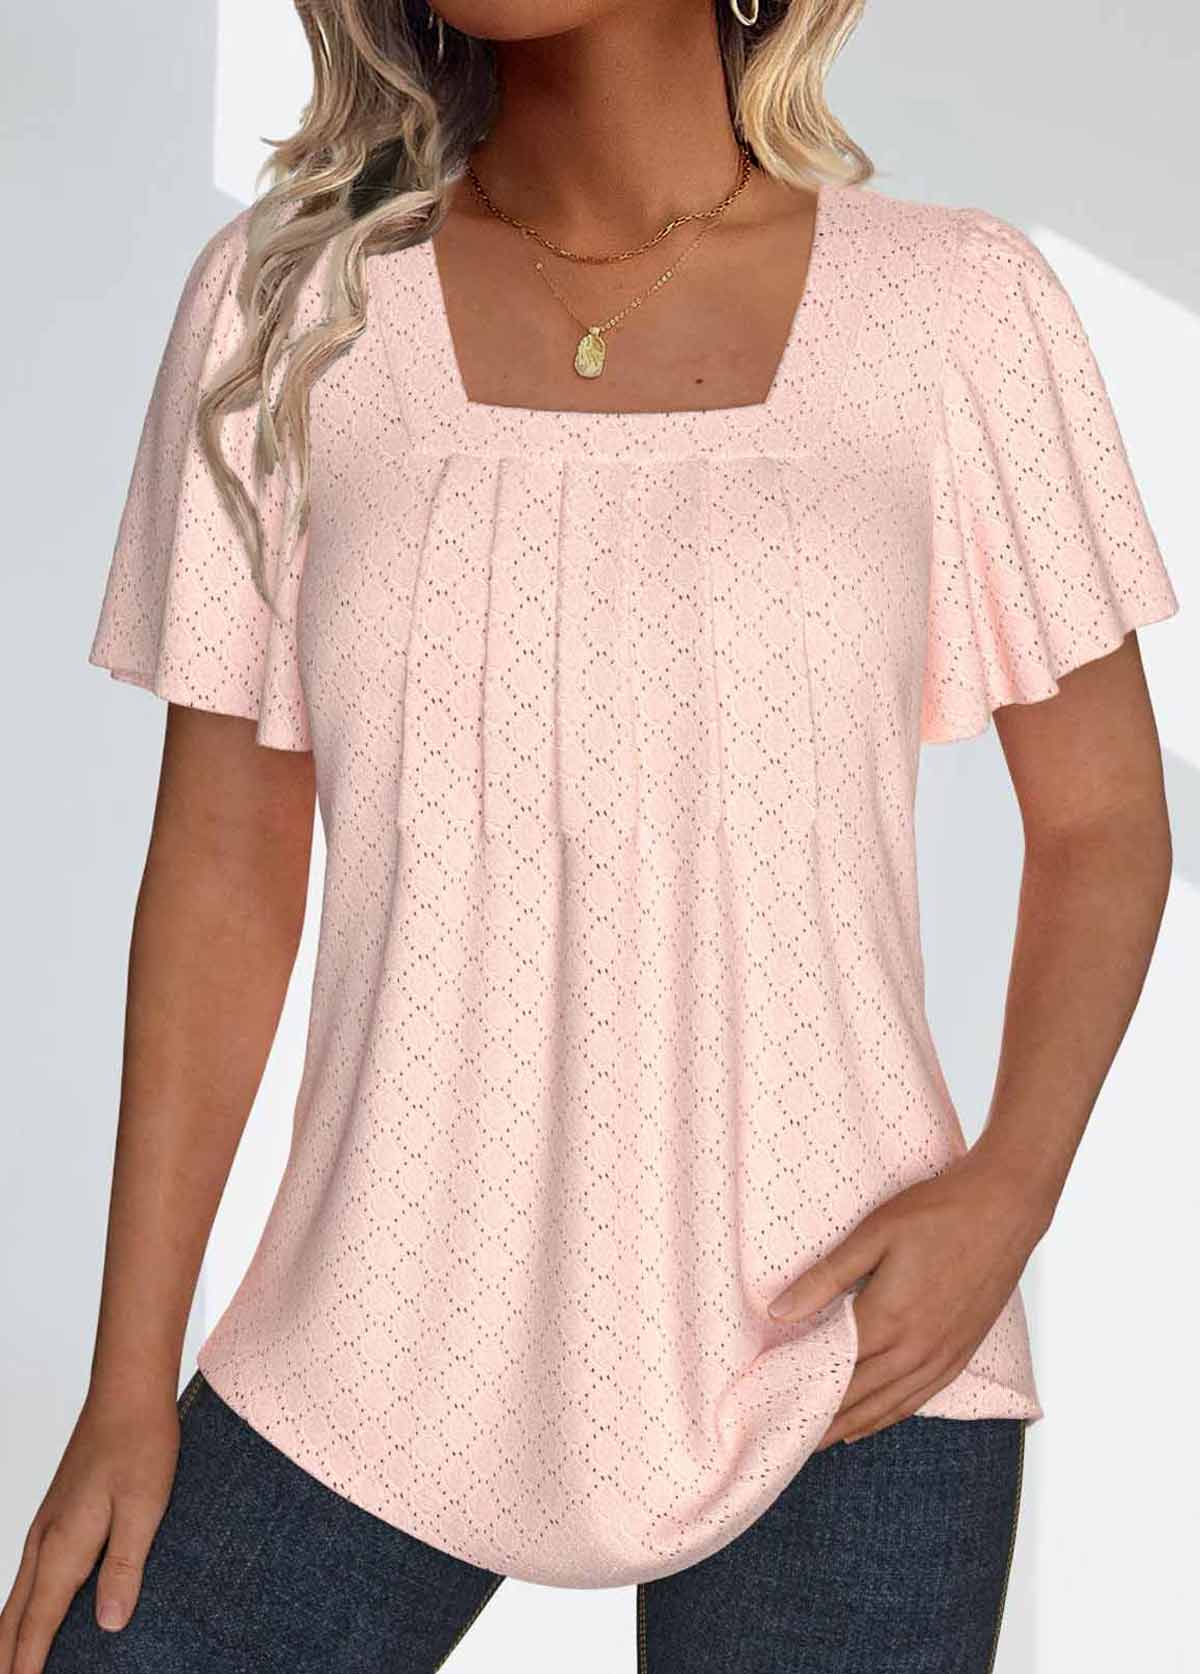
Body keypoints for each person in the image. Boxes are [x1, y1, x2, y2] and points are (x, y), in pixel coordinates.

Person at [1, 2, 1180, 1671]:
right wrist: (127, 1379)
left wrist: (1013, 1188)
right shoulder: (291, 311)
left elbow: (1109, 817)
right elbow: (222, 860)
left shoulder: (954, 309)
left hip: (849, 1343)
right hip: (370, 1333)